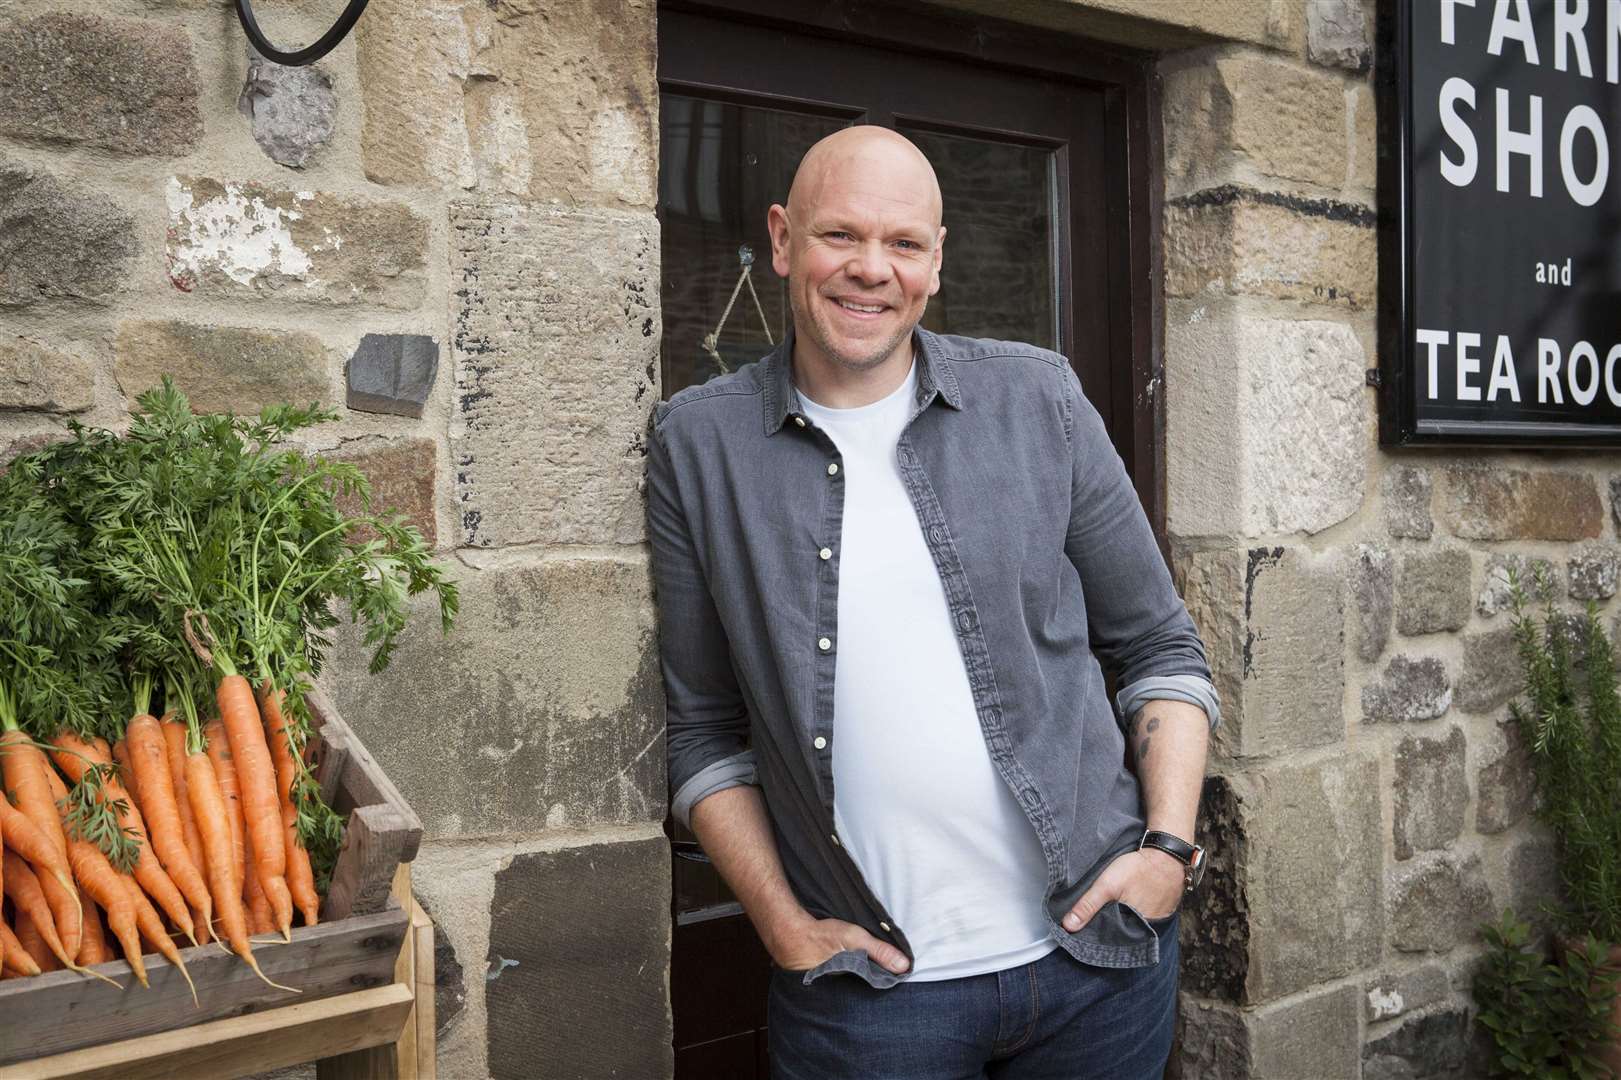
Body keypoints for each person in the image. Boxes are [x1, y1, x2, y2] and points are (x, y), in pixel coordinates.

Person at [646, 125, 1220, 1080]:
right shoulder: (698, 447)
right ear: (782, 240)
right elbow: (703, 729)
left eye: (903, 244)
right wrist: (781, 924)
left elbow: (1160, 648)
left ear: (936, 261)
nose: (872, 270)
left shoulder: (1038, 401)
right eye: (841, 236)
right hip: (867, 1009)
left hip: (1097, 970)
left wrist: (1166, 852)